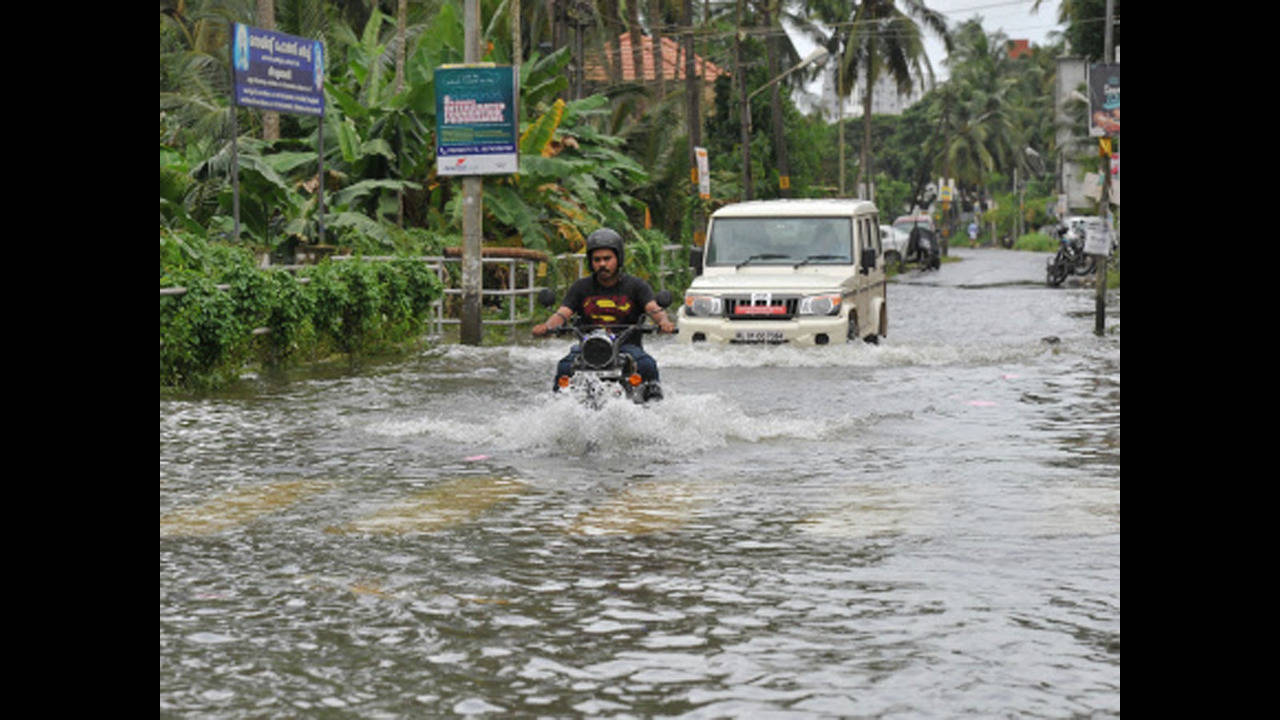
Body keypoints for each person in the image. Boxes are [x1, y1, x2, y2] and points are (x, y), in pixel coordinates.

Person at [532, 228, 676, 395]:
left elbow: (653, 308)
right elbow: (563, 313)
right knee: (565, 366)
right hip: (588, 347)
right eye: (597, 259)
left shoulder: (636, 286)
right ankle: (558, 408)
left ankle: (655, 409)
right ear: (591, 262)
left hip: (626, 347)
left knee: (647, 365)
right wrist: (547, 326)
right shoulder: (581, 287)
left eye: (607, 259)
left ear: (618, 258)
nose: (602, 264)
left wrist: (664, 323)